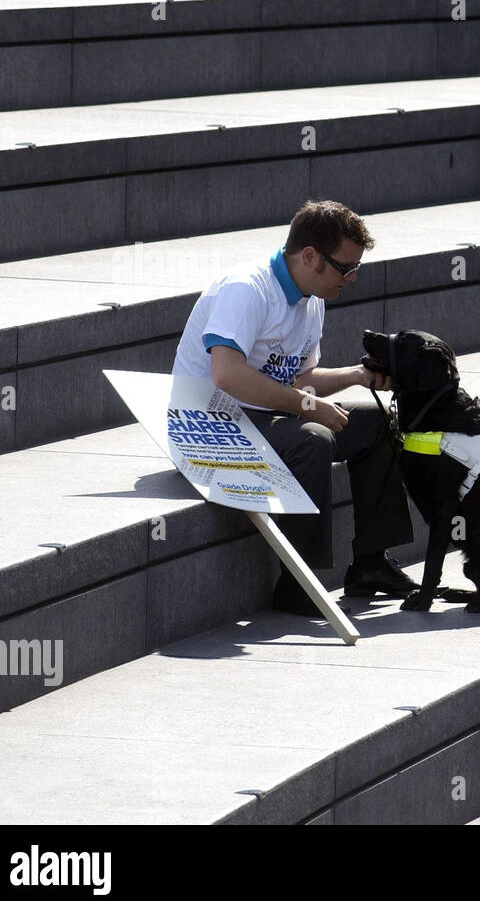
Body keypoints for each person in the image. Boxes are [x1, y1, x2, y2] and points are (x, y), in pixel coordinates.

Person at [172, 199, 418, 614]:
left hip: (260, 415)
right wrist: (307, 406)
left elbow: (299, 379)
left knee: (378, 423)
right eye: (345, 267)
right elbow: (226, 375)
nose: (352, 277)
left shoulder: (312, 297)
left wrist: (356, 376)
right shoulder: (246, 289)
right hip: (210, 421)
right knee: (313, 439)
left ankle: (371, 564)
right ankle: (297, 585)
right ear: (309, 256)